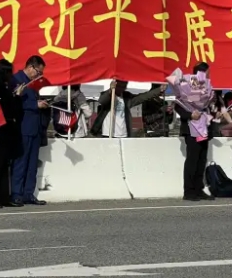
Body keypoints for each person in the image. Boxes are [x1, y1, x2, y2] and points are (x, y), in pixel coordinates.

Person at [169, 63, 215, 201]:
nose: (208, 75)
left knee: (202, 159)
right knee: (192, 160)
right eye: (207, 72)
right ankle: (188, 191)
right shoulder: (186, 85)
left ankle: (198, 189)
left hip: (203, 128)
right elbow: (178, 106)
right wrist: (190, 115)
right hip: (191, 128)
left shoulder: (205, 86)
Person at [10, 55, 48, 207]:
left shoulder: (33, 83)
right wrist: (35, 104)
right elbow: (16, 103)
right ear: (31, 67)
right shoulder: (17, 79)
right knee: (21, 162)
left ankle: (28, 193)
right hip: (23, 126)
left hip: (35, 127)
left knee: (32, 164)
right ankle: (16, 194)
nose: (38, 76)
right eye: (38, 72)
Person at [0, 59, 22, 208]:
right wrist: (17, 96)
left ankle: (2, 196)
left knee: (2, 164)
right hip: (4, 128)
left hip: (1, 128)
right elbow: (10, 107)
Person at [91, 80, 164, 138]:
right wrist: (110, 90)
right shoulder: (109, 94)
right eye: (120, 85)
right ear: (116, 84)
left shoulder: (127, 97)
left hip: (123, 133)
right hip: (107, 133)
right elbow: (102, 100)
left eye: (124, 86)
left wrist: (158, 90)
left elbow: (142, 97)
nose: (122, 88)